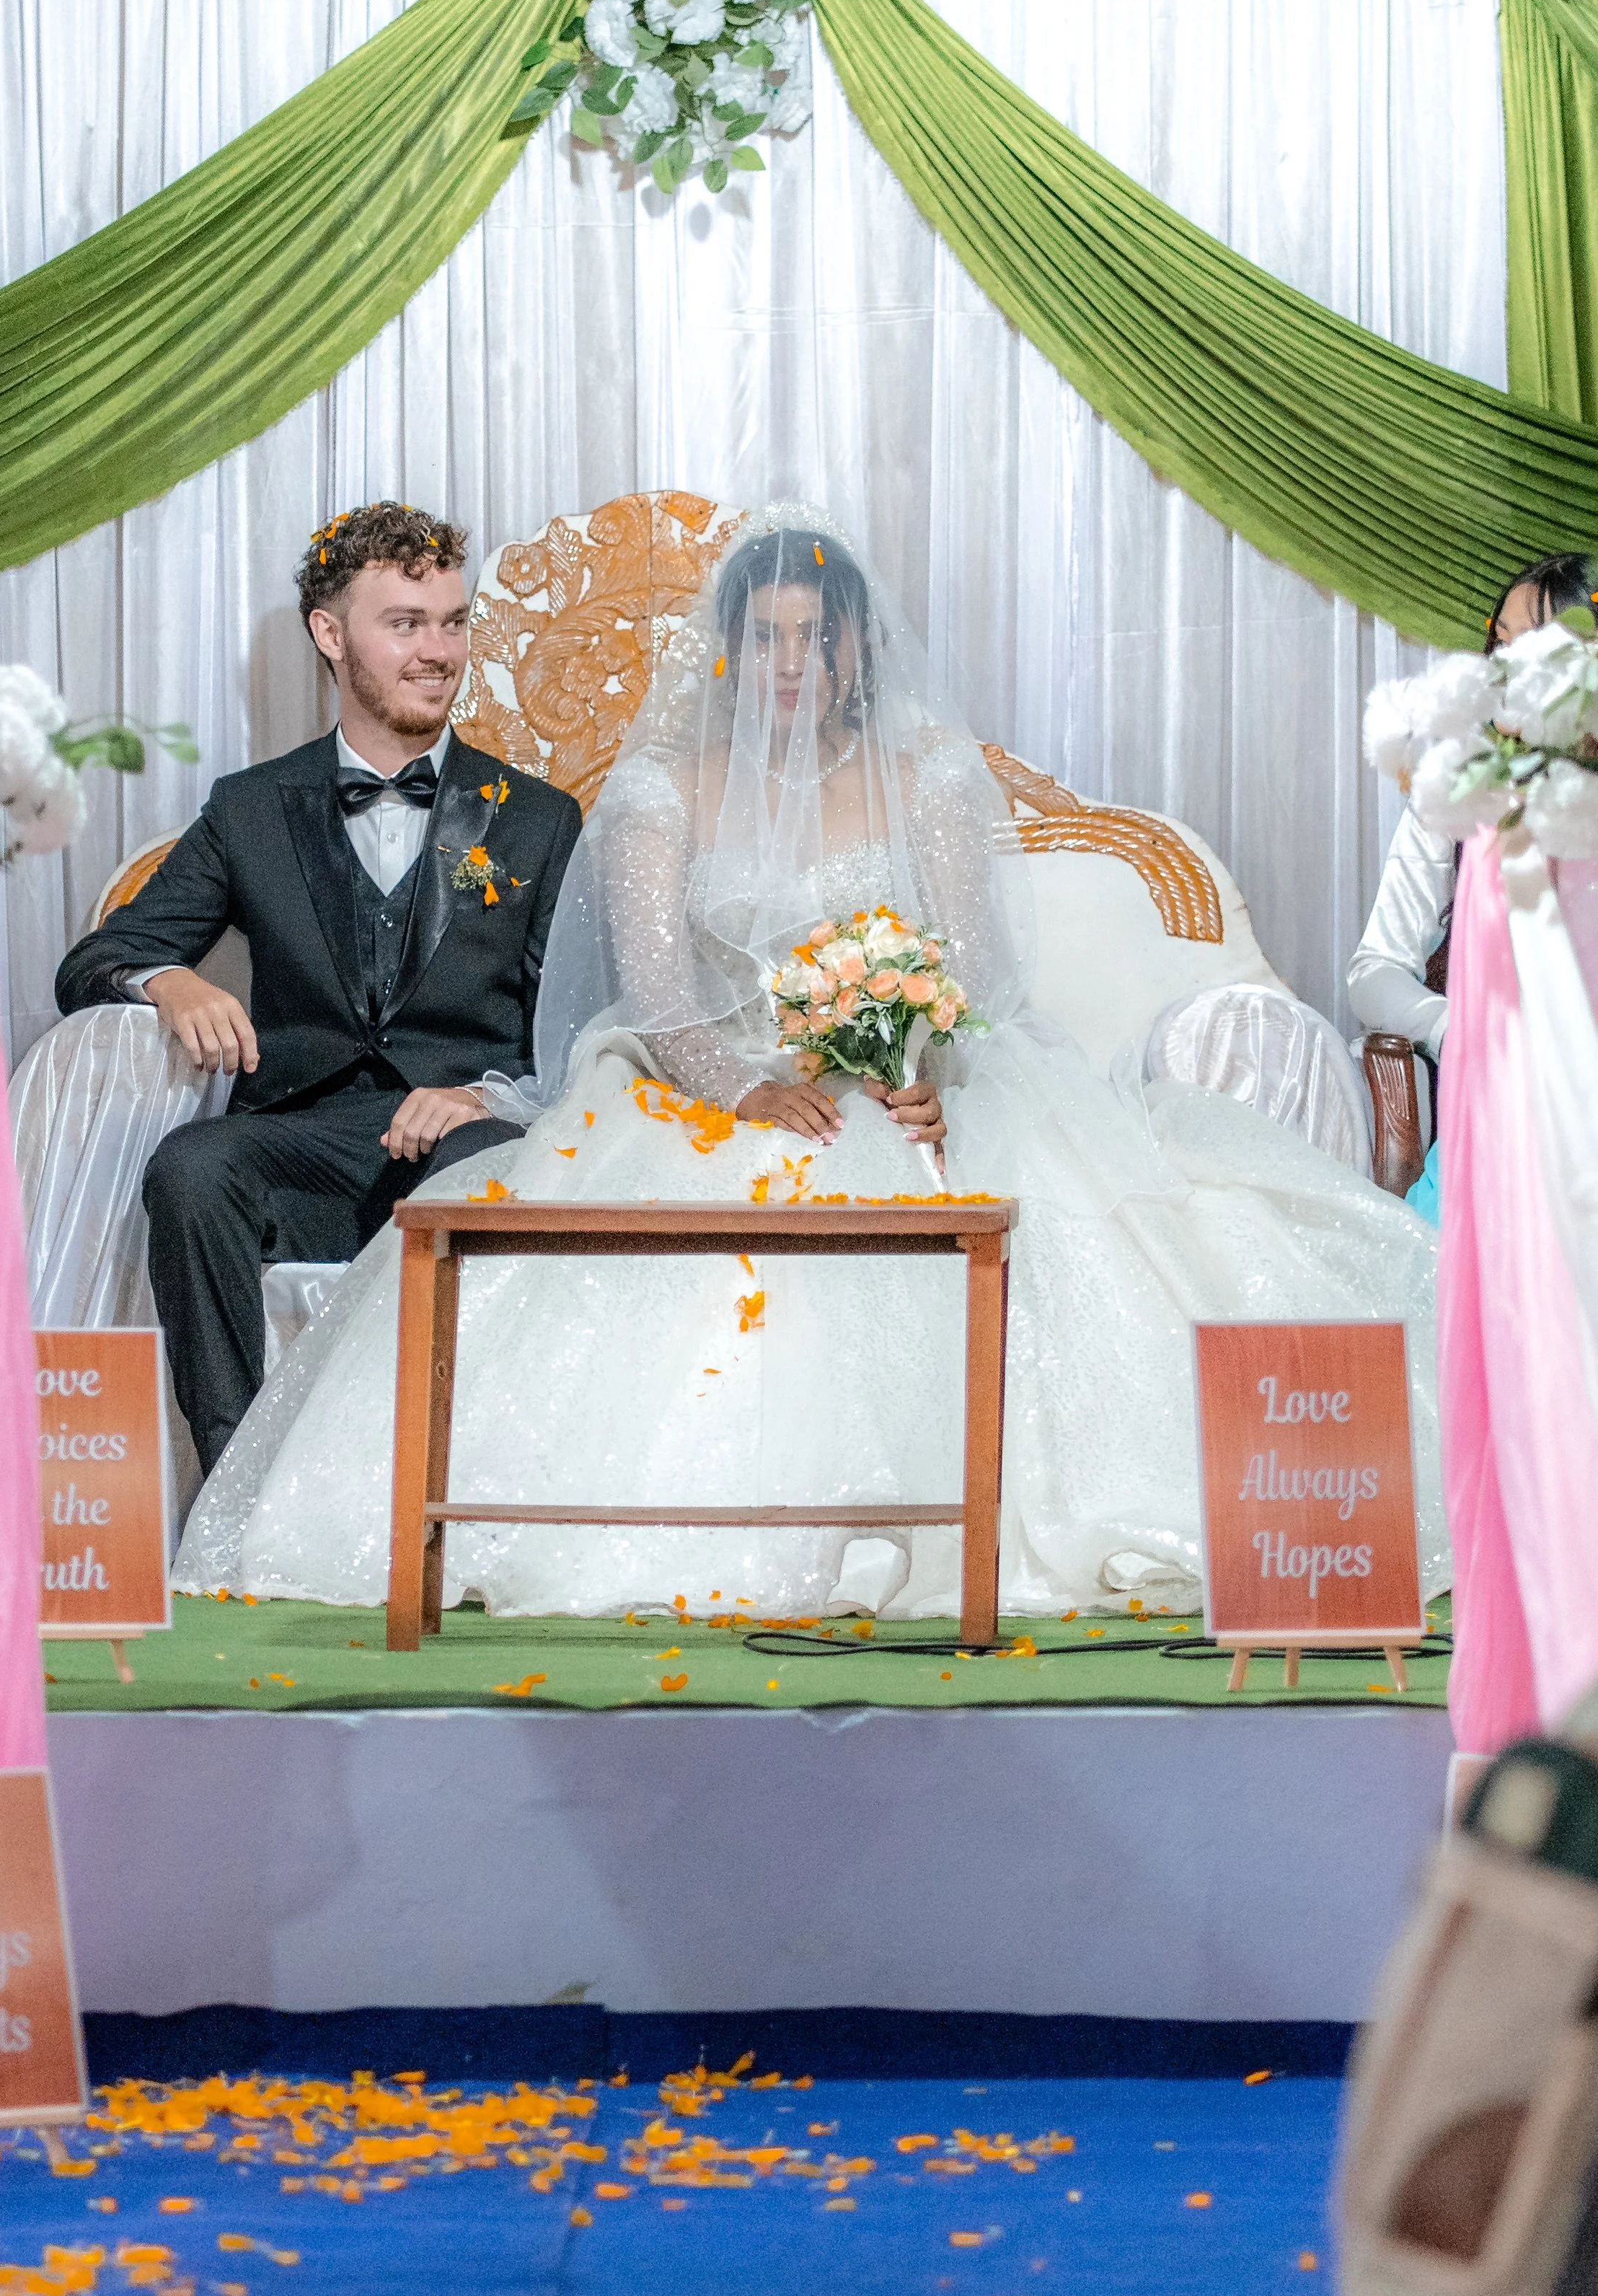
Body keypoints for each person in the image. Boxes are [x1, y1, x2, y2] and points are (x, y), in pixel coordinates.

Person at [175, 511, 1447, 1619]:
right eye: (766, 637)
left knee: (1031, 1217)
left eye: (815, 636)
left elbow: (972, 970)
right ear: (732, 650)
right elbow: (659, 998)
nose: (790, 663)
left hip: (904, 1082)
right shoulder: (667, 791)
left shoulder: (929, 779)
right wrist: (741, 1086)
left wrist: (923, 1061)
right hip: (712, 1086)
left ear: (855, 646)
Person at [54, 503, 582, 1473]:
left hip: (464, 1141)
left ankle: (446, 1489)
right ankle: (234, 1485)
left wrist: (482, 1096)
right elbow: (93, 962)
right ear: (330, 634)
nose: (440, 651)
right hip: (300, 1140)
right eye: (407, 623)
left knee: (479, 1168)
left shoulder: (538, 820)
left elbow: (582, 1024)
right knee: (191, 1168)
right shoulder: (250, 809)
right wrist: (169, 981)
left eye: (454, 622)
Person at [1349, 552, 1596, 1220]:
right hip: (1501, 1111)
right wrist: (1455, 1026)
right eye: (1501, 643)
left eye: (1536, 645)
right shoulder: (1462, 797)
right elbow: (1373, 970)